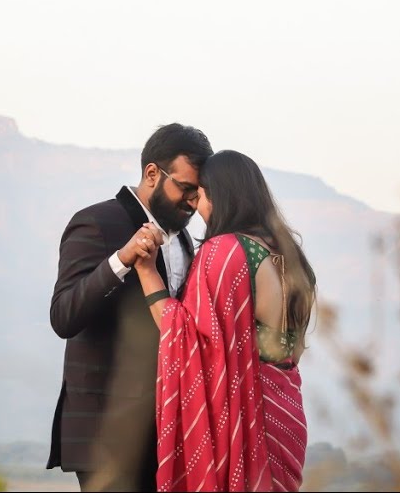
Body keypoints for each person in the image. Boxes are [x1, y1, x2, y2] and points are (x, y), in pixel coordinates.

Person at [133, 149, 317, 491]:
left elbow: (184, 332)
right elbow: (296, 348)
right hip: (287, 411)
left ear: (219, 196)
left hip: (249, 416)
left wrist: (146, 271)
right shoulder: (291, 257)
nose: (196, 206)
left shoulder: (226, 251)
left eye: (199, 195)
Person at [47, 123, 214, 492]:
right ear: (152, 173)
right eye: (185, 188)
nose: (192, 202)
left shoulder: (186, 238)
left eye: (198, 193)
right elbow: (63, 316)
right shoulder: (95, 222)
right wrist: (120, 260)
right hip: (105, 432)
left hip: (168, 433)